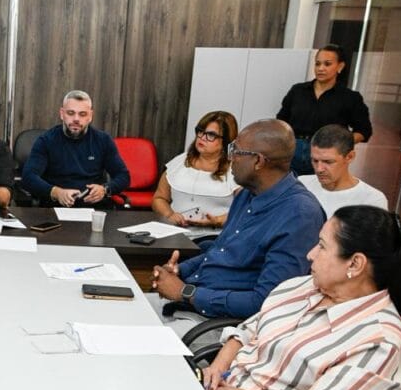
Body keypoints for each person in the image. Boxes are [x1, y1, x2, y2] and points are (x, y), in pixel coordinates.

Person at [200, 205, 401, 390]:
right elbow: (248, 330)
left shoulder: (380, 341)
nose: (310, 254)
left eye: (321, 246)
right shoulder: (305, 287)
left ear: (355, 264)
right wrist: (217, 369)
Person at [152, 119, 326, 325]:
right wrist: (181, 270)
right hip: (193, 302)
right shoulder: (247, 195)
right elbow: (221, 251)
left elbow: (269, 302)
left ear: (258, 161)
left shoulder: (299, 215)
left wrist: (186, 292)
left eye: (235, 150)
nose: (229, 157)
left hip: (222, 325)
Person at [20, 90, 130, 207]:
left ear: (90, 116)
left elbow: (123, 176)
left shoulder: (103, 140)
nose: (76, 119)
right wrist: (56, 192)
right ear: (62, 114)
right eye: (71, 113)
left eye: (82, 114)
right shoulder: (46, 140)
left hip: (94, 208)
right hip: (55, 207)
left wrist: (104, 189)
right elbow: (28, 177)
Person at [277, 44, 372, 176]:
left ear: (340, 66)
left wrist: (338, 143)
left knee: (319, 192)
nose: (321, 68)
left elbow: (364, 131)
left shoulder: (350, 98)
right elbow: (281, 121)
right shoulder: (298, 91)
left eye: (327, 64)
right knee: (288, 189)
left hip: (326, 154)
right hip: (293, 150)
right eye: (317, 64)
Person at [151, 111, 239, 231]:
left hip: (215, 236)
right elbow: (159, 199)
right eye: (200, 131)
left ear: (226, 141)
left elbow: (246, 211)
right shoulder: (179, 162)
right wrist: (169, 215)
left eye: (211, 135)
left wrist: (217, 221)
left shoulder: (237, 169)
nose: (202, 138)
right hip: (176, 233)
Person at [299, 124, 387, 218]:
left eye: (328, 162)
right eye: (315, 160)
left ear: (350, 157)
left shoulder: (371, 200)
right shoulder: (301, 184)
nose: (319, 169)